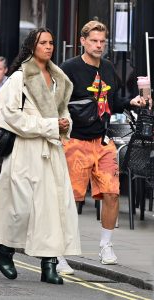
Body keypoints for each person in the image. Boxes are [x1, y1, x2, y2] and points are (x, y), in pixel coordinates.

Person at [0, 28, 81, 284]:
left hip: (51, 152)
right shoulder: (19, 78)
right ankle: (6, 250)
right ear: (31, 46)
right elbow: (8, 115)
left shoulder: (58, 79)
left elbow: (63, 112)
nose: (48, 47)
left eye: (51, 43)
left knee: (52, 210)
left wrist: (65, 123)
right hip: (25, 150)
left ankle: (49, 265)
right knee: (18, 209)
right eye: (43, 43)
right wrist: (48, 126)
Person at [59, 20, 149, 267]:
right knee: (71, 199)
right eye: (94, 41)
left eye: (102, 41)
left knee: (112, 193)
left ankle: (105, 246)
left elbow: (111, 103)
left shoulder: (108, 68)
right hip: (75, 141)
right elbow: (56, 102)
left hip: (104, 140)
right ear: (83, 41)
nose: (99, 45)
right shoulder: (69, 68)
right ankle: (59, 252)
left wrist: (131, 102)